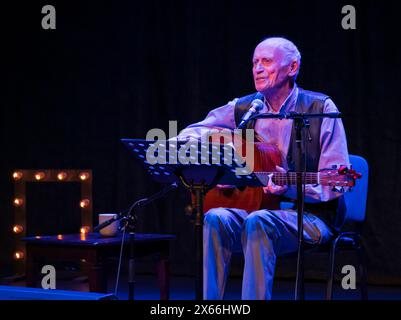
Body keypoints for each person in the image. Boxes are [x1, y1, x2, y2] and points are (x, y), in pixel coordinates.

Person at [178, 37, 350, 300]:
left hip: (314, 217)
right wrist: (218, 167)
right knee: (214, 217)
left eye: (266, 61)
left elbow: (337, 181)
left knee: (260, 221)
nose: (257, 68)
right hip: (258, 209)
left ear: (292, 68)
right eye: (254, 62)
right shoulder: (247, 107)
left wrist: (291, 187)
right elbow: (194, 131)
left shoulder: (320, 108)